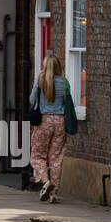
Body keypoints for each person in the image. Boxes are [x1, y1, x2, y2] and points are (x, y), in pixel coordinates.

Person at [29, 52, 72, 203]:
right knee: (56, 158)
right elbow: (67, 103)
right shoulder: (64, 82)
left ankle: (45, 181)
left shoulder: (40, 80)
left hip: (44, 122)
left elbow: (32, 99)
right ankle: (53, 194)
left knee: (36, 155)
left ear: (45, 66)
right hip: (59, 121)